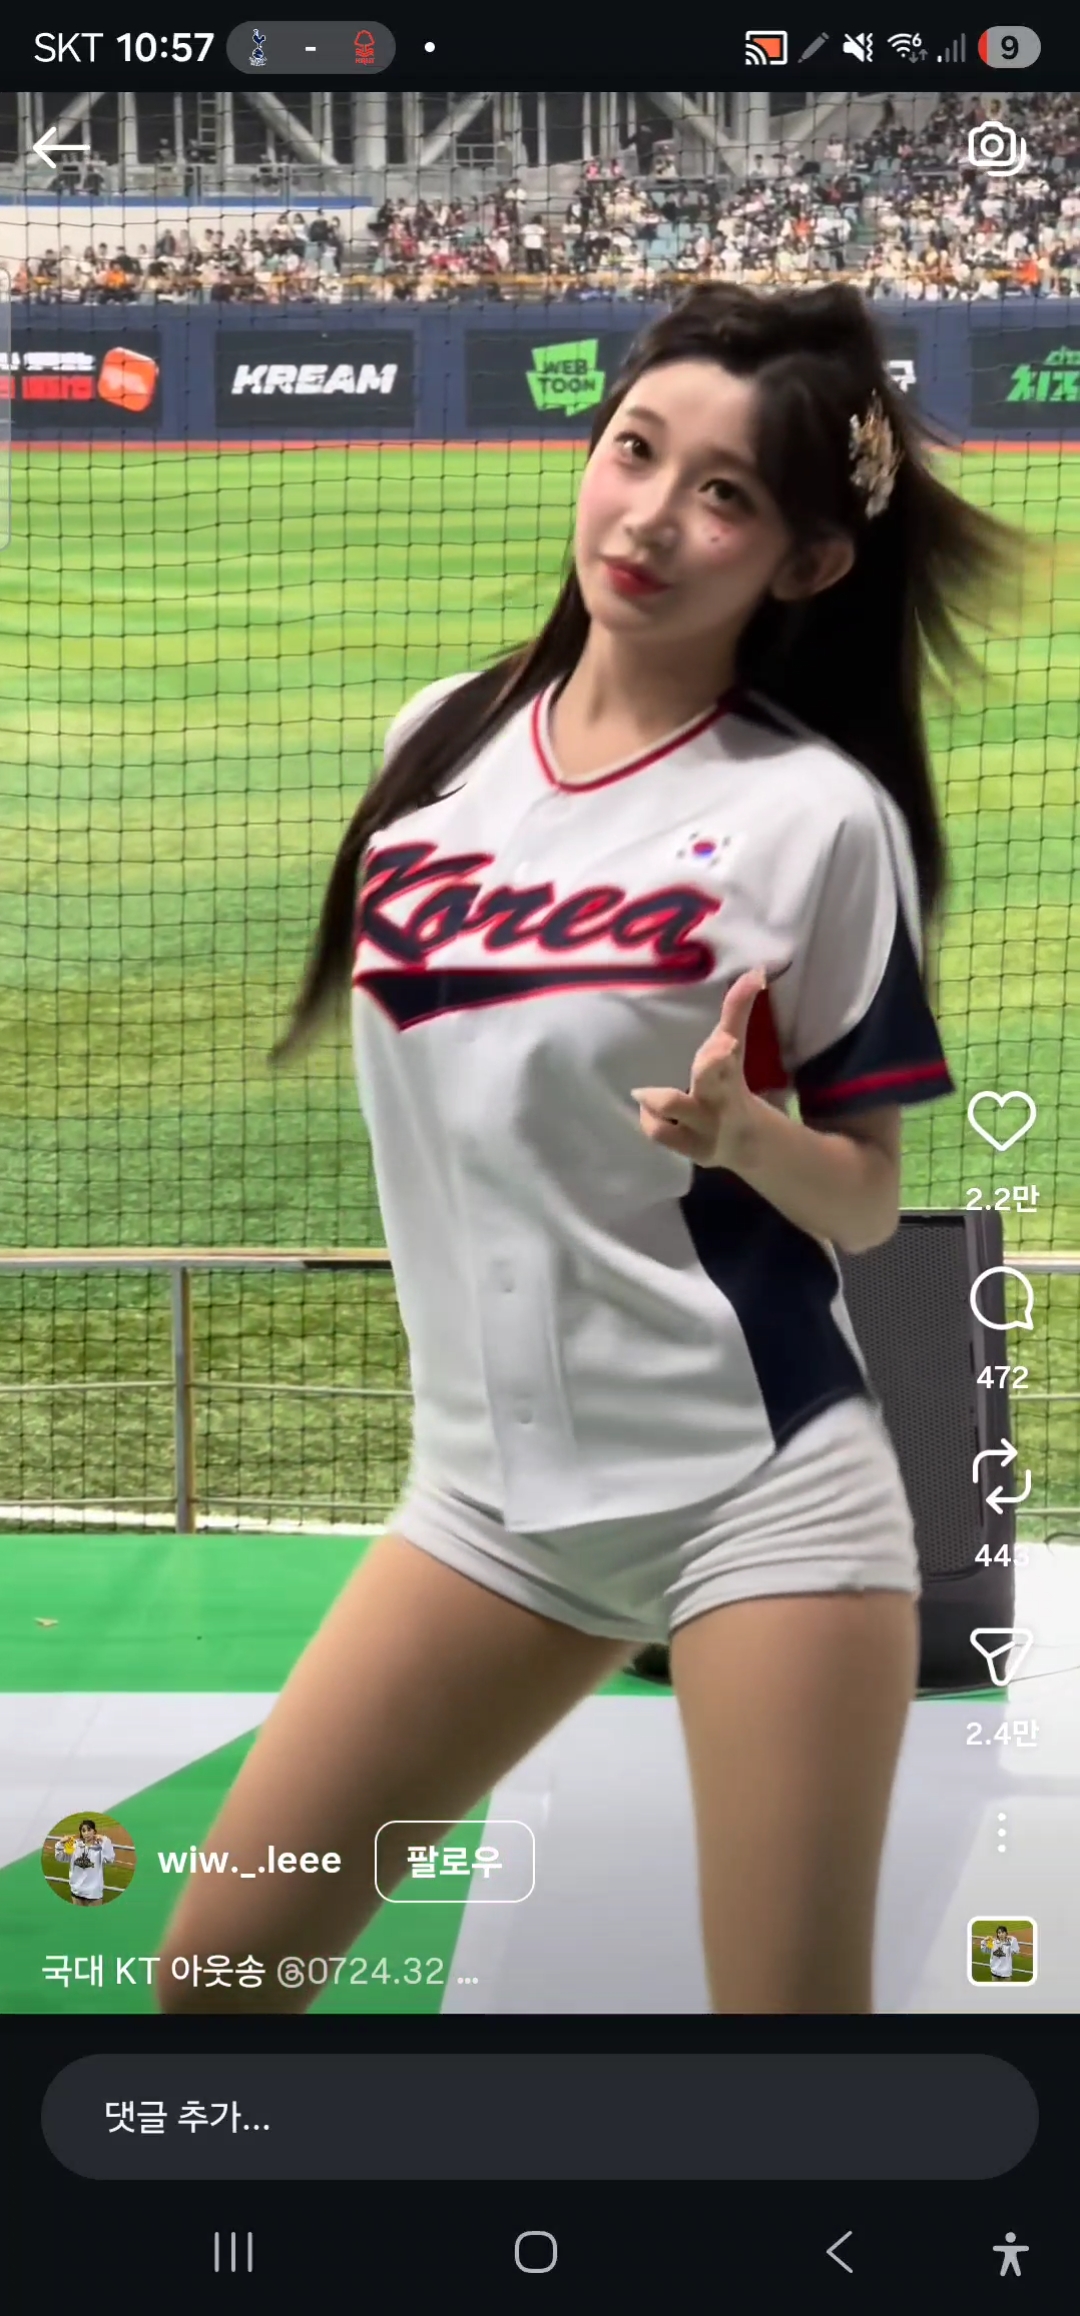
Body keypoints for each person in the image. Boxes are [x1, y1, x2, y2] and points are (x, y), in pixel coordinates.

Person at [157, 282, 1019, 2018]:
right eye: (636, 451)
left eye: (725, 495)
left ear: (805, 562)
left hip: (759, 1499)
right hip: (487, 1504)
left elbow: (869, 1199)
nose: (650, 515)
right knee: (213, 1986)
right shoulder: (436, 746)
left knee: (788, 2053)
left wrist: (749, 1136)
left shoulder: (816, 819)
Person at [55, 1819, 115, 1906]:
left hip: (93, 1894)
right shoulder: (73, 1845)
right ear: (81, 1833)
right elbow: (60, 1857)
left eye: (89, 1829)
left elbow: (110, 1859)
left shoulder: (100, 1848)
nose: (86, 1833)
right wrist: (60, 1843)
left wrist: (104, 1839)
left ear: (94, 1831)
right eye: (83, 1831)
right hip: (76, 1892)